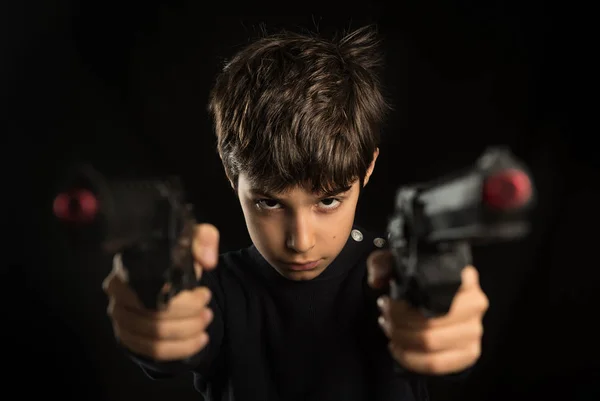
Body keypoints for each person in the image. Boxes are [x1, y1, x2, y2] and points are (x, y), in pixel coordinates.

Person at [102, 25, 489, 401]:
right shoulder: (214, 290)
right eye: (270, 202)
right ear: (229, 170)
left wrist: (445, 324)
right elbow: (172, 344)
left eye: (328, 201)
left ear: (367, 169)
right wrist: (154, 316)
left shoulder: (397, 278)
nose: (300, 242)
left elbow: (442, 346)